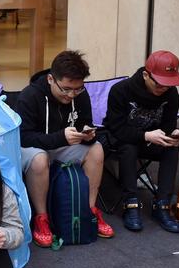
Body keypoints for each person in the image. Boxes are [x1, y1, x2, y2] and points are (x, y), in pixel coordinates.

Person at [16, 50, 114, 247]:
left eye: (77, 89)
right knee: (39, 159)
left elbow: (84, 122)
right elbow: (23, 137)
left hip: (63, 144)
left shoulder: (80, 94)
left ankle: (89, 210)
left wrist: (87, 134)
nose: (71, 95)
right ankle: (41, 218)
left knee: (96, 149)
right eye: (66, 89)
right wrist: (60, 137)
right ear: (51, 79)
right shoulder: (30, 95)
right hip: (32, 148)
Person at [102, 50, 179, 233]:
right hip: (121, 141)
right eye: (160, 84)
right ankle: (130, 204)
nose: (164, 88)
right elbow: (116, 129)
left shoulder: (171, 94)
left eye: (168, 85)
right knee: (128, 147)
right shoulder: (121, 90)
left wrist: (173, 133)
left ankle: (162, 205)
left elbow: (169, 123)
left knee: (171, 149)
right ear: (146, 75)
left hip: (151, 141)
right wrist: (146, 136)